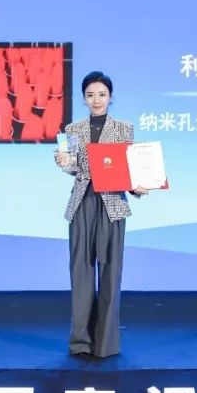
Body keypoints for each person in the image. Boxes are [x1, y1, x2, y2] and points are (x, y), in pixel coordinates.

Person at [54, 71, 148, 358]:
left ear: (110, 97)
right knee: (81, 271)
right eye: (91, 95)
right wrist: (63, 162)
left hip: (112, 204)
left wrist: (137, 186)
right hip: (82, 202)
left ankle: (106, 344)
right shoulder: (73, 129)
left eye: (102, 94)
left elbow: (129, 168)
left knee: (110, 272)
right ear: (84, 98)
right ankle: (81, 342)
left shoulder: (123, 129)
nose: (96, 100)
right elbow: (74, 168)